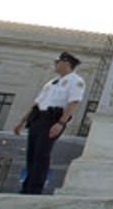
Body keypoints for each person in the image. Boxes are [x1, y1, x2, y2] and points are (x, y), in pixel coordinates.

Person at [13, 51, 85, 195]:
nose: (55, 64)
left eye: (57, 62)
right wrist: (22, 121)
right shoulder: (52, 82)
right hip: (37, 118)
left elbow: (73, 103)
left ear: (66, 63)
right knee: (32, 154)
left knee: (42, 153)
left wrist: (61, 123)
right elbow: (37, 103)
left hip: (52, 120)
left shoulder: (75, 81)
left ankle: (35, 188)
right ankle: (27, 187)